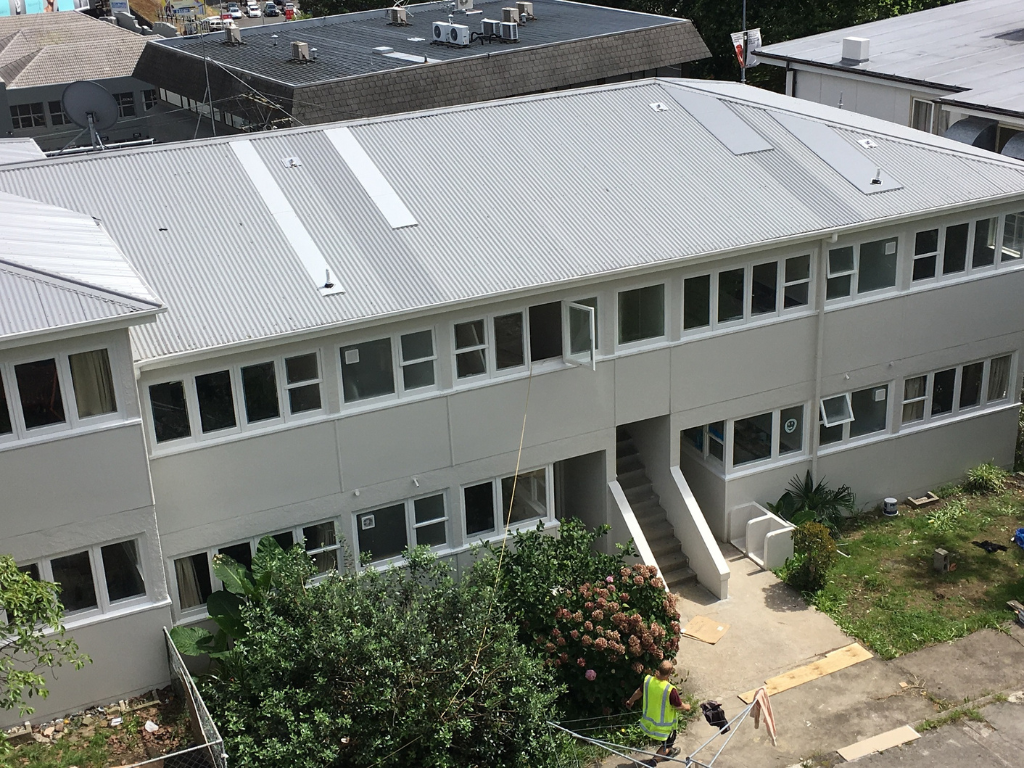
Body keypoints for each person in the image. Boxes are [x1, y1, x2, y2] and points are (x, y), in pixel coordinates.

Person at [625, 659, 691, 766]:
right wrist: (687, 707)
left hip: (648, 724)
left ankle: (667, 752)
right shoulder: (670, 689)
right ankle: (653, 762)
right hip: (664, 728)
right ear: (670, 673)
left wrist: (630, 701)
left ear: (658, 669)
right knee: (667, 744)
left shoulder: (648, 681)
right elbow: (678, 706)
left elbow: (638, 692)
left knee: (665, 744)